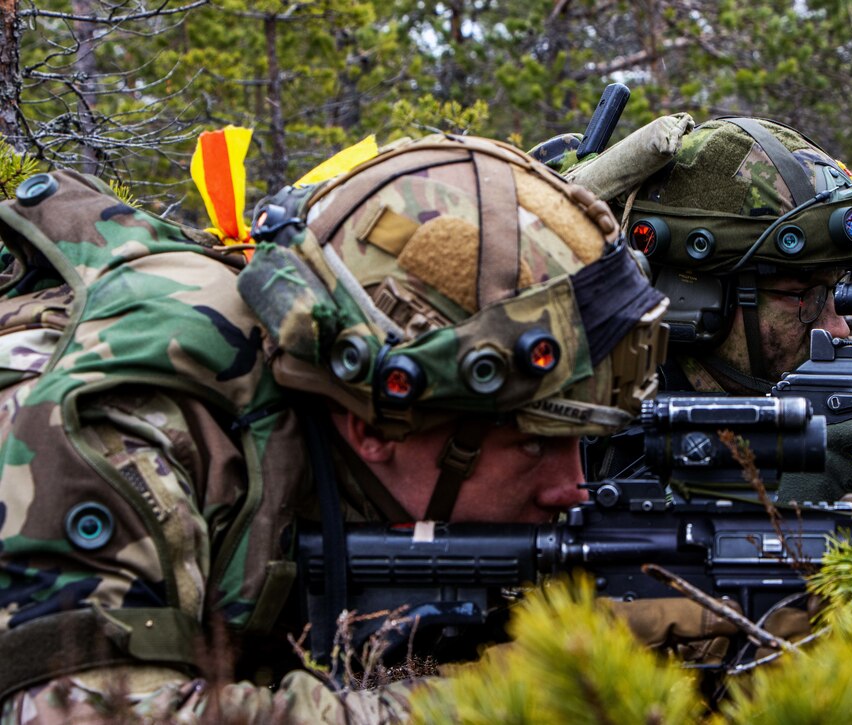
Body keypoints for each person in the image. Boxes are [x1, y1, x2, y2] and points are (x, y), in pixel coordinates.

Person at [0, 135, 676, 721]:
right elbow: (83, 712)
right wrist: (486, 701)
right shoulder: (121, 422)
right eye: (534, 442)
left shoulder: (331, 430)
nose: (574, 486)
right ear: (371, 424)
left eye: (582, 441)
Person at [559, 115, 852, 508]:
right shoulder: (575, 422)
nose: (839, 328)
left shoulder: (798, 421)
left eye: (833, 291)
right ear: (694, 297)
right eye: (803, 296)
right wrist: (772, 516)